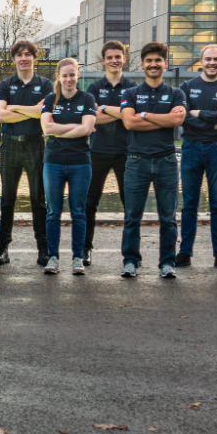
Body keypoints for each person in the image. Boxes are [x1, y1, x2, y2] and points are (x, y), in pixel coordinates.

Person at [119, 42, 187, 279]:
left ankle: (167, 263)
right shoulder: (130, 93)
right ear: (142, 64)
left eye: (158, 60)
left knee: (168, 218)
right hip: (136, 161)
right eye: (149, 60)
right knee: (132, 217)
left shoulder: (176, 93)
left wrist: (145, 114)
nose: (153, 64)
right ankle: (130, 262)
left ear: (165, 64)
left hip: (166, 161)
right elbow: (129, 123)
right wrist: (164, 118)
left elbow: (177, 122)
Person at [0, 39, 53, 266]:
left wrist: (14, 107)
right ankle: (3, 248)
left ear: (35, 58)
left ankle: (43, 249)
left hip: (35, 144)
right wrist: (33, 111)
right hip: (10, 145)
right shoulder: (5, 85)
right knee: (7, 199)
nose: (24, 58)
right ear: (14, 58)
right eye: (19, 54)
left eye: (28, 54)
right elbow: (0, 116)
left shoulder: (46, 85)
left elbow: (45, 113)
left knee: (39, 199)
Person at [40, 58, 97, 275]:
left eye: (72, 75)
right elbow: (47, 129)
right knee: (53, 212)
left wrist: (60, 128)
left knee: (79, 212)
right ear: (59, 77)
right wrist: (77, 126)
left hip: (80, 163)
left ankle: (77, 258)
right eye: (65, 75)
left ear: (78, 75)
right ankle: (53, 257)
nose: (69, 79)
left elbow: (87, 129)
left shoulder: (87, 98)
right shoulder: (50, 99)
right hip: (53, 161)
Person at [83, 40, 136, 266]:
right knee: (89, 203)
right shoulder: (94, 88)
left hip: (127, 152)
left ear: (124, 59)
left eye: (118, 56)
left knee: (130, 205)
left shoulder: (133, 87)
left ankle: (131, 256)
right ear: (103, 60)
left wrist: (104, 109)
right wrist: (122, 112)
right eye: (110, 57)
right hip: (98, 151)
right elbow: (92, 117)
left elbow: (133, 117)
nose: (114, 60)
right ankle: (85, 249)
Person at [178, 44, 217, 269]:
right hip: (191, 148)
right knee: (189, 204)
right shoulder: (187, 87)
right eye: (208, 59)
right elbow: (182, 117)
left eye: (216, 59)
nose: (212, 63)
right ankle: (185, 252)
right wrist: (214, 122)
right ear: (201, 60)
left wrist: (202, 115)